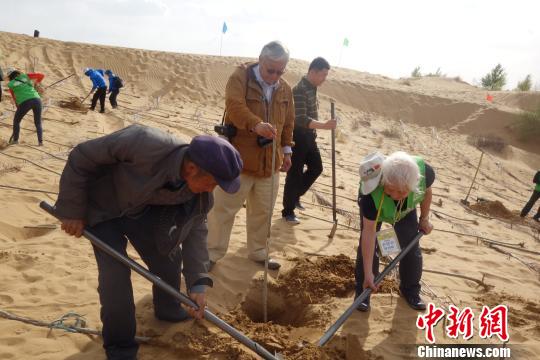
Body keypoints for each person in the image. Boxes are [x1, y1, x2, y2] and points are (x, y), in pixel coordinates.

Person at [54, 124, 243, 360]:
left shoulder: (201, 195)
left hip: (142, 210)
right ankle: (121, 348)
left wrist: (197, 283)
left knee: (167, 257)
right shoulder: (141, 142)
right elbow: (81, 156)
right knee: (116, 275)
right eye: (213, 183)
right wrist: (72, 211)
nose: (211, 190)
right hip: (102, 209)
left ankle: (168, 308)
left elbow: (197, 231)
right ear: (192, 168)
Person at [207, 41, 294, 270]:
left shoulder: (285, 88)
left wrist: (287, 150)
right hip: (238, 161)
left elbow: (288, 123)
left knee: (263, 213)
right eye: (270, 70)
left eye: (280, 71)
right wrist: (256, 125)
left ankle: (258, 252)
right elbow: (234, 107)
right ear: (260, 60)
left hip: (270, 164)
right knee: (223, 210)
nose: (275, 76)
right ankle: (211, 254)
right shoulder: (240, 77)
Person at [355, 151, 435, 312]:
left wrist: (424, 219)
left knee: (411, 246)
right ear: (384, 181)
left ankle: (410, 290)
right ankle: (363, 291)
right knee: (368, 250)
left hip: (404, 210)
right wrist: (369, 273)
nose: (396, 195)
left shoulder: (426, 173)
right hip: (378, 208)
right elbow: (369, 233)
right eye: (391, 189)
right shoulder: (369, 196)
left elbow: (427, 192)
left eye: (402, 191)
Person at [281, 57, 336, 224]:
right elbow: (301, 119)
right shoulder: (300, 89)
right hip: (298, 135)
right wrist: (324, 126)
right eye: (323, 75)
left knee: (316, 167)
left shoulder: (312, 88)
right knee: (294, 173)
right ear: (313, 72)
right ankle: (288, 211)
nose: (324, 79)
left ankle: (295, 195)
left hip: (309, 136)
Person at [6, 69, 45, 145]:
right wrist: (37, 84)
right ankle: (40, 142)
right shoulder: (25, 76)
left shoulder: (10, 84)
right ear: (17, 73)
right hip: (37, 99)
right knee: (38, 122)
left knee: (16, 121)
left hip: (25, 102)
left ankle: (15, 140)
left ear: (10, 77)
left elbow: (14, 98)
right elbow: (41, 75)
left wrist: (19, 108)